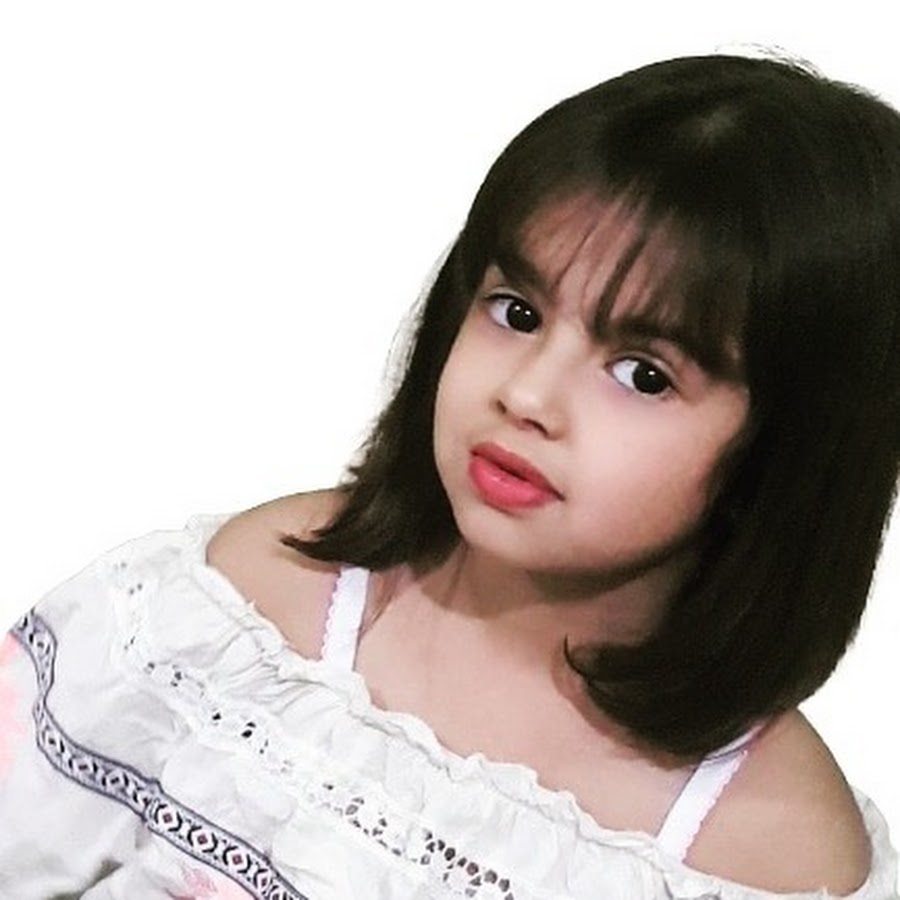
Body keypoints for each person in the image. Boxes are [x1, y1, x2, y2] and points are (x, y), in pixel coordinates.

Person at [1, 53, 898, 899]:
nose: (527, 394)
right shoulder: (247, 612)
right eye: (517, 311)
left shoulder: (765, 852)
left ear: (793, 449)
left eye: (643, 374)